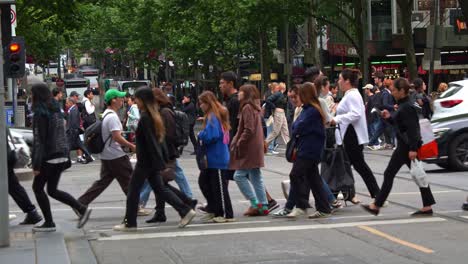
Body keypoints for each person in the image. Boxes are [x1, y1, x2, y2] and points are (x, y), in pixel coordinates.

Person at [114, 87, 196, 231]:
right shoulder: (153, 115)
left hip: (146, 162)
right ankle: (184, 209)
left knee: (133, 190)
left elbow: (151, 142)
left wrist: (157, 161)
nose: (135, 102)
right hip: (151, 161)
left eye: (137, 100)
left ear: (143, 100)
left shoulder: (146, 117)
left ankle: (130, 223)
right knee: (160, 189)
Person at [361, 78, 436, 216]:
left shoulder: (406, 106)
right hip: (405, 145)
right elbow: (399, 124)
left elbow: (413, 129)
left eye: (394, 90)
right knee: (419, 174)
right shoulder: (403, 104)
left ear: (402, 91)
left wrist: (413, 149)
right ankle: (427, 205)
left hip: (406, 147)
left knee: (393, 174)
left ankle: (376, 205)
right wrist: (388, 117)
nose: (392, 93)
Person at [30, 83, 92, 232]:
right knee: (52, 190)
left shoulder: (40, 113)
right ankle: (81, 209)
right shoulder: (56, 110)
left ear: (36, 96)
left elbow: (40, 141)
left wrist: (36, 165)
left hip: (49, 156)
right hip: (62, 155)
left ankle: (49, 222)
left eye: (32, 94)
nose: (30, 97)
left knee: (37, 188)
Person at [141, 88, 196, 222]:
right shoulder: (160, 111)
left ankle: (185, 204)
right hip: (162, 153)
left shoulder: (165, 112)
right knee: (161, 184)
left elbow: (169, 135)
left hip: (165, 154)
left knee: (160, 184)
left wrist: (158, 146)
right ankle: (163, 211)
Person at [330, 69, 380, 203]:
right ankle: (340, 195)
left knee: (346, 166)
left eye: (340, 79)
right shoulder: (350, 94)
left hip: (351, 136)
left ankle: (333, 197)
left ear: (347, 81)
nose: (338, 82)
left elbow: (356, 113)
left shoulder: (352, 95)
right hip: (350, 135)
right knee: (349, 166)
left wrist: (337, 119)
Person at [78, 90, 135, 207]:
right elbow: (116, 137)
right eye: (120, 97)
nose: (122, 100)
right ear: (113, 100)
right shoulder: (112, 117)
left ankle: (80, 203)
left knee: (103, 183)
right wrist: (132, 146)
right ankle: (135, 206)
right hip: (116, 155)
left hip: (107, 155)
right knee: (130, 181)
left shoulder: (106, 114)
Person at [286, 81, 332, 219]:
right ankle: (324, 208)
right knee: (313, 178)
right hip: (310, 149)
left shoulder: (311, 110)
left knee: (295, 175)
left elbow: (297, 127)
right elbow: (297, 126)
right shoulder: (310, 109)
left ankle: (302, 205)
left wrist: (296, 127)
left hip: (308, 150)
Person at [230, 84, 269, 216]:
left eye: (240, 92)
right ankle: (263, 205)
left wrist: (238, 142)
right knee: (255, 176)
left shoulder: (247, 107)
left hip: (249, 147)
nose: (238, 94)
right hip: (255, 146)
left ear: (246, 94)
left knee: (238, 176)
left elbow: (248, 129)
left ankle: (255, 203)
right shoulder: (255, 107)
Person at [197, 91, 234, 223]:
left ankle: (225, 213)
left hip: (217, 157)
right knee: (205, 183)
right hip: (215, 156)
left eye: (202, 103)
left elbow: (212, 135)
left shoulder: (213, 116)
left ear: (208, 103)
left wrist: (201, 135)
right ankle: (213, 208)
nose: (200, 106)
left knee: (219, 187)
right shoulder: (214, 115)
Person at [7, 128, 43, 225]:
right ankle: (32, 213)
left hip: (4, 156)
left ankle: (32, 213)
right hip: (8, 155)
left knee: (13, 186)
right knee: (13, 186)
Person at [264, 82, 290, 154]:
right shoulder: (278, 94)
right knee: (276, 131)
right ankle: (265, 143)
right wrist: (274, 107)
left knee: (285, 131)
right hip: (278, 113)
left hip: (282, 113)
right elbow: (268, 100)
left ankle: (289, 147)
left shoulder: (282, 95)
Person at [66, 96, 93, 164]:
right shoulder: (73, 109)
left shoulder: (74, 110)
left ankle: (67, 161)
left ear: (71, 102)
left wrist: (72, 131)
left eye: (67, 103)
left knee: (67, 146)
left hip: (73, 131)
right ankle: (89, 156)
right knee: (80, 145)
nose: (66, 104)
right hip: (74, 131)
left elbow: (74, 122)